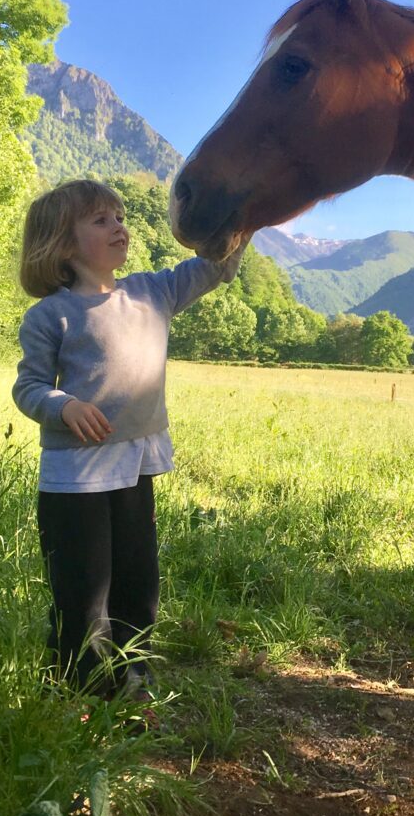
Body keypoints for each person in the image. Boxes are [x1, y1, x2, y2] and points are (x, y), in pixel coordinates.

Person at [13, 178, 245, 696]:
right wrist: (63, 405)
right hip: (74, 482)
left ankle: (134, 684)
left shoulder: (152, 291)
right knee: (84, 596)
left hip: (135, 470)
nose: (119, 226)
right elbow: (28, 387)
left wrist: (245, 214)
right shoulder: (52, 315)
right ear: (63, 245)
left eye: (119, 217)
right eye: (100, 220)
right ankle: (83, 697)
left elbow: (216, 266)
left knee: (138, 588)